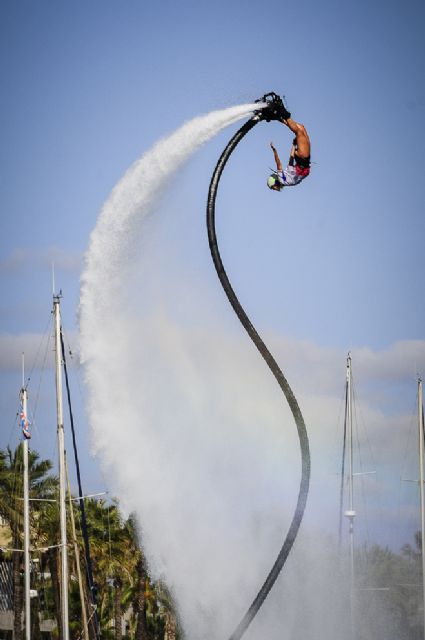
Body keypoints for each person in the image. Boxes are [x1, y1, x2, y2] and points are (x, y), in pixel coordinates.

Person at [267, 117, 311, 191]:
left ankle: (281, 119)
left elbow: (291, 159)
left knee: (301, 129)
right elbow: (278, 164)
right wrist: (274, 150)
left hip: (304, 158)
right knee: (300, 132)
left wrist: (294, 144)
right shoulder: (282, 179)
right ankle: (283, 115)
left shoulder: (286, 176)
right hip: (302, 159)